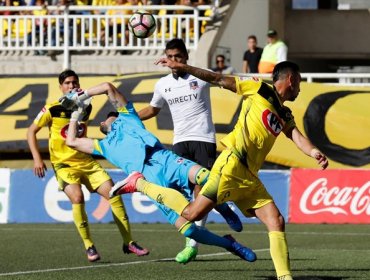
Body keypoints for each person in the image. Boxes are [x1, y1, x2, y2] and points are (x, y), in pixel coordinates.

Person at [114, 60, 329, 280]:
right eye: (299, 82)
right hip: (232, 165)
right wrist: (184, 67)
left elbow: (295, 135)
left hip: (250, 177)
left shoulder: (284, 113)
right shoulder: (259, 88)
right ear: (291, 80)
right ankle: (139, 183)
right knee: (190, 215)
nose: (300, 89)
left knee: (276, 220)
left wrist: (313, 152)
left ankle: (285, 278)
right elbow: (217, 79)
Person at [61, 81, 257, 264]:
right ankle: (230, 244)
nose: (104, 120)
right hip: (149, 180)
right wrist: (76, 114)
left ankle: (222, 208)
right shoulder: (103, 145)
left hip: (163, 158)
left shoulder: (129, 117)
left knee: (206, 176)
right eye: (103, 121)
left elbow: (107, 87)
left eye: (109, 116)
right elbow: (71, 141)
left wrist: (83, 95)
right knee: (189, 230)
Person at [138, 38, 242, 264]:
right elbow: (153, 109)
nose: (174, 61)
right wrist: (129, 117)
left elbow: (221, 80)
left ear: (186, 57)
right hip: (180, 142)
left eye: (178, 57)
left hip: (203, 139)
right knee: (183, 194)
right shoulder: (163, 84)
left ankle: (191, 245)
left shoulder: (199, 75)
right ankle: (221, 206)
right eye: (170, 57)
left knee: (200, 191)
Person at [27, 70, 149, 262]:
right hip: (64, 164)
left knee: (113, 193)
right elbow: (31, 131)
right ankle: (89, 246)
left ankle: (129, 242)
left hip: (87, 162)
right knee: (77, 197)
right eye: (67, 83)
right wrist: (37, 158)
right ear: (60, 86)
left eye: (74, 82)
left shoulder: (86, 107)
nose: (71, 86)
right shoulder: (52, 109)